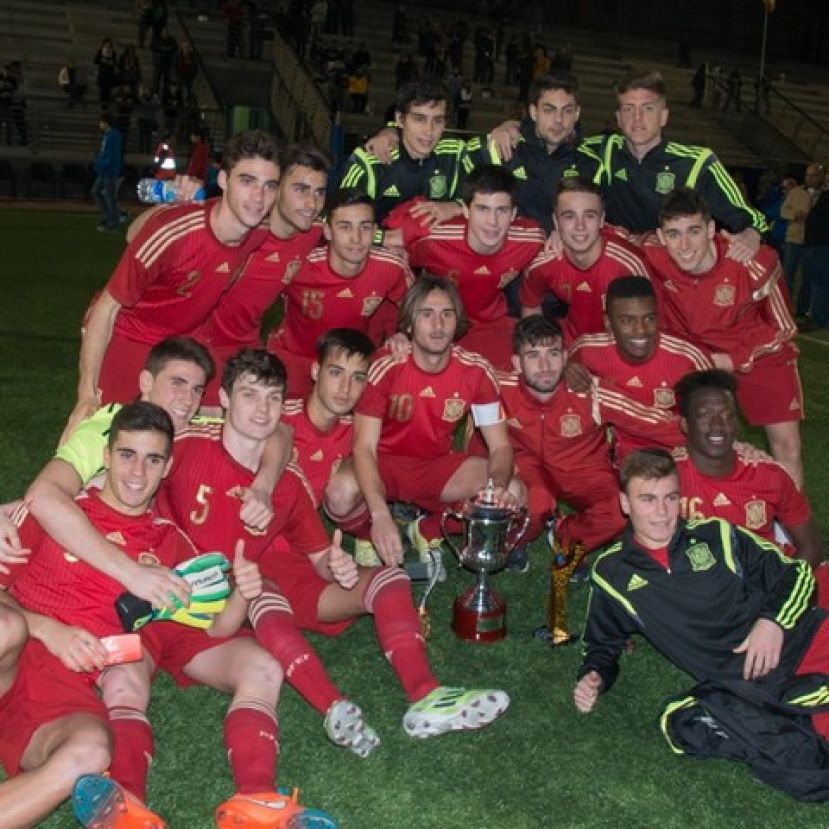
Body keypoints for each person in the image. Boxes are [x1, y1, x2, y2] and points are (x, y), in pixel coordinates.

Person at [157, 348, 511, 753]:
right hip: (217, 593)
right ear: (222, 399)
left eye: (273, 398)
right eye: (249, 395)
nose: (263, 409)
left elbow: (317, 554)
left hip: (274, 571)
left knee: (387, 577)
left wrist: (335, 562)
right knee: (259, 588)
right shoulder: (185, 444)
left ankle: (425, 695)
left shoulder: (287, 482)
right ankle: (334, 707)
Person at [573, 448, 829, 800]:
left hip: (804, 641)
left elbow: (798, 573)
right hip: (745, 684)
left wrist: (773, 623)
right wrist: (595, 677)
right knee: (687, 721)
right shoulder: (612, 574)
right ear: (625, 503)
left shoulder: (718, 535)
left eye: (670, 498)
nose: (662, 512)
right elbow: (602, 645)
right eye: (647, 499)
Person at [64, 128, 279, 440]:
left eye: (269, 186)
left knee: (217, 425)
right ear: (222, 180)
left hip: (183, 340)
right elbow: (108, 306)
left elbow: (308, 212)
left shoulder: (259, 229)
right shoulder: (179, 232)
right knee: (94, 434)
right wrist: (85, 395)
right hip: (129, 330)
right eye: (247, 181)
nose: (258, 197)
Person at [328, 276, 523, 570]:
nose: (438, 324)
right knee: (339, 493)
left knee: (515, 494)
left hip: (435, 468)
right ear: (408, 324)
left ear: (457, 323)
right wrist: (380, 514)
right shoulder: (385, 367)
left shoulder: (477, 371)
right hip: (384, 464)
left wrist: (496, 488)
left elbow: (501, 447)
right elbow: (364, 447)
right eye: (427, 314)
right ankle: (369, 532)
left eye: (447, 314)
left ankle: (425, 529)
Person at [642, 187, 803, 487]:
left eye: (694, 231)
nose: (685, 244)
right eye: (674, 234)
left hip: (759, 354)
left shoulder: (754, 262)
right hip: (697, 356)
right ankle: (694, 515)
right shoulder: (652, 253)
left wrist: (731, 359)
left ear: (711, 229)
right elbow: (606, 237)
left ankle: (788, 530)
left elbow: (783, 327)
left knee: (787, 446)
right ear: (661, 237)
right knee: (675, 438)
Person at [494, 315, 681, 564]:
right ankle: (518, 537)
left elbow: (651, 420)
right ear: (517, 363)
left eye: (552, 354)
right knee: (534, 508)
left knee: (617, 511)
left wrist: (722, 443)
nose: (545, 365)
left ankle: (565, 535)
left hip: (583, 469)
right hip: (528, 466)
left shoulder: (590, 392)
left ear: (564, 356)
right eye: (533, 356)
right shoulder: (498, 387)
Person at [193, 142, 329, 405]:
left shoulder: (313, 231)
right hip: (199, 347)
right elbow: (136, 234)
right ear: (276, 190)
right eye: (300, 189)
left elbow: (357, 228)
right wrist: (179, 202)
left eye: (320, 192)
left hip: (245, 350)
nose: (312, 203)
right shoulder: (240, 223)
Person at [583, 70, 766, 258]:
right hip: (621, 266)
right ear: (619, 118)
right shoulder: (603, 150)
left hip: (676, 272)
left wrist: (751, 235)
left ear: (664, 116)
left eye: (647, 108)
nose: (637, 118)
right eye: (629, 108)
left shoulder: (696, 163)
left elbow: (753, 219)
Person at [390, 165, 545, 369]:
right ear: (465, 210)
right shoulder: (433, 236)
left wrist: (560, 238)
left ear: (514, 213)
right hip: (439, 325)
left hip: (492, 327)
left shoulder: (531, 239)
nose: (493, 222)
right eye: (483, 209)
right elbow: (384, 244)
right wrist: (404, 325)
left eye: (502, 210)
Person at [267, 189, 411, 397]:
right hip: (294, 359)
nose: (356, 238)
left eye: (365, 227)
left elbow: (418, 306)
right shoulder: (300, 264)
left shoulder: (390, 267)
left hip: (351, 365)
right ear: (327, 231)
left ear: (375, 231)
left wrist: (403, 334)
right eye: (345, 227)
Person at [673, 369, 822, 568]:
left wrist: (780, 591)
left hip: (764, 582)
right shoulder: (665, 478)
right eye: (704, 416)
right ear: (685, 424)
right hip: (697, 589)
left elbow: (811, 547)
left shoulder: (769, 475)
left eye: (727, 416)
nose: (717, 425)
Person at [566, 275, 712, 461]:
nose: (641, 330)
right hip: (617, 456)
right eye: (627, 321)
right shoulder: (586, 351)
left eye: (649, 319)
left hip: (678, 454)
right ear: (608, 323)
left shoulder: (688, 359)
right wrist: (567, 370)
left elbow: (715, 419)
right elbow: (560, 369)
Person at [519, 179, 651, 343]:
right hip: (571, 345)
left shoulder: (628, 264)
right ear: (555, 221)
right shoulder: (544, 261)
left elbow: (649, 326)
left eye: (589, 215)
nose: (580, 226)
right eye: (569, 216)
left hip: (618, 346)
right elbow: (531, 306)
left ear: (602, 220)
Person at [476, 72, 600, 233]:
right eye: (549, 110)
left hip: (559, 255)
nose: (558, 120)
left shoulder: (591, 163)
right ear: (534, 112)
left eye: (567, 111)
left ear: (577, 113)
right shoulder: (504, 146)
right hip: (509, 254)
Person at [339, 78, 469, 224]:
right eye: (419, 119)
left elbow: (491, 201)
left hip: (432, 245)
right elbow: (339, 222)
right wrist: (386, 238)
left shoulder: (455, 153)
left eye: (437, 121)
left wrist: (455, 207)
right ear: (400, 119)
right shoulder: (369, 162)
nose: (429, 131)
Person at [780, 164, 825, 319]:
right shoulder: (796, 192)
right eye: (808, 175)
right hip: (794, 240)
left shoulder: (824, 195)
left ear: (821, 177)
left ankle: (801, 309)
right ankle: (784, 307)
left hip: (813, 242)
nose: (810, 178)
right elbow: (783, 211)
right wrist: (794, 215)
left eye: (814, 175)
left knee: (806, 278)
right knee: (788, 275)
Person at [799, 165, 829, 329]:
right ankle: (816, 314)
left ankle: (818, 317)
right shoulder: (823, 195)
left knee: (821, 282)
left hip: (822, 244)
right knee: (815, 280)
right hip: (814, 243)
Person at [91, 112, 124, 233]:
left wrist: (100, 164)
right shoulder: (109, 135)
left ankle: (112, 222)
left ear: (105, 123)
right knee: (97, 192)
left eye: (101, 122)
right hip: (106, 170)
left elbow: (111, 156)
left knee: (109, 196)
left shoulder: (112, 136)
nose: (99, 124)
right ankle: (109, 217)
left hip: (109, 171)